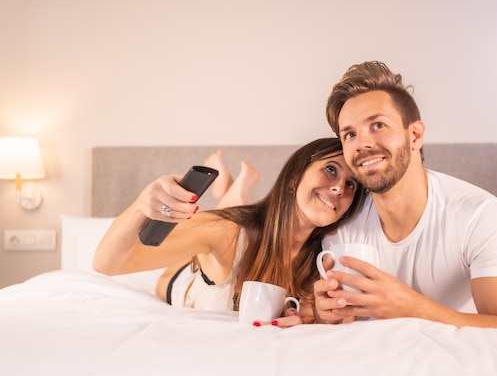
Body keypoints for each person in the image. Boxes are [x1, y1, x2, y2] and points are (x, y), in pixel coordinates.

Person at [314, 61, 497, 331]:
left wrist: (411, 307)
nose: (362, 144)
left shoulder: (479, 215)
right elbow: (345, 317)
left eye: (378, 125)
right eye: (349, 134)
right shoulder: (342, 225)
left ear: (415, 135)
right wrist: (328, 314)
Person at [93, 138, 366, 327]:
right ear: (295, 176)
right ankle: (231, 192)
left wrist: (312, 317)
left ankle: (232, 189)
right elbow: (108, 264)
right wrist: (142, 204)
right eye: (331, 169)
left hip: (248, 230)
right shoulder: (227, 231)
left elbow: (341, 316)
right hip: (181, 280)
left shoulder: (327, 253)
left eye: (352, 184)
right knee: (227, 228)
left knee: (242, 220)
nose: (340, 188)